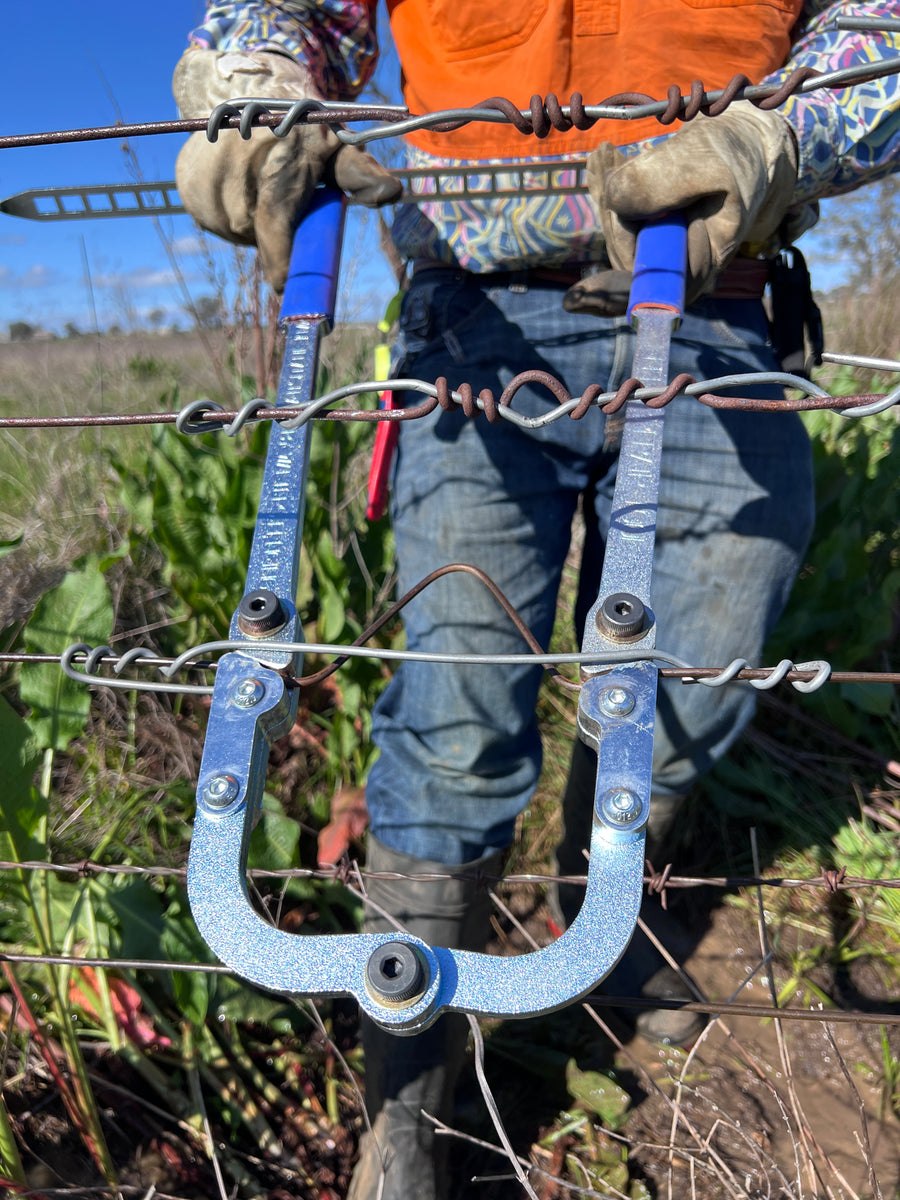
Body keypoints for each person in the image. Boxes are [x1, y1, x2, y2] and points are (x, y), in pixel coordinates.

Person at [173, 4, 900, 1196]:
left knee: (691, 673)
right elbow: (302, 8)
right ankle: (409, 1103)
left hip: (721, 292)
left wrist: (783, 138)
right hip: (475, 306)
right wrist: (260, 82)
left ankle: (599, 889)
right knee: (459, 701)